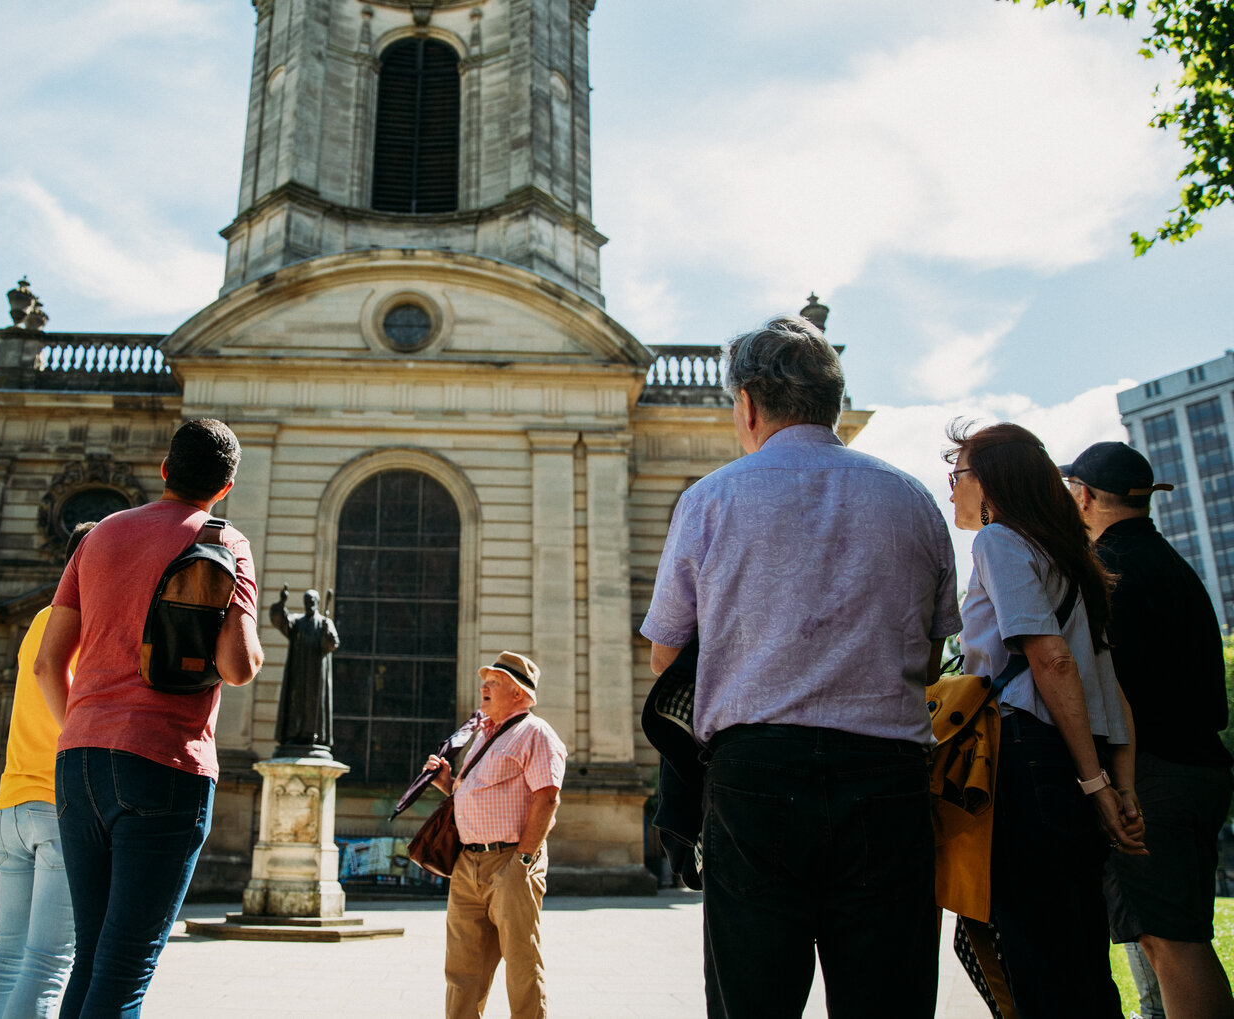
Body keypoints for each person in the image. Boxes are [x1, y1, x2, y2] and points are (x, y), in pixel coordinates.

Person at [641, 315, 959, 1017]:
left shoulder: (710, 499)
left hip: (755, 777)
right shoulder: (914, 500)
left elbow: (667, 654)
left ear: (748, 404)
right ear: (833, 401)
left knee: (753, 999)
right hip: (889, 778)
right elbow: (933, 656)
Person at [34, 418, 263, 1019]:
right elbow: (237, 667)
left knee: (91, 959)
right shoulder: (224, 542)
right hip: (168, 761)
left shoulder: (100, 535)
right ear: (227, 485)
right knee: (125, 969)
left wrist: (83, 730)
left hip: (79, 761)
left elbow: (46, 665)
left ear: (164, 470)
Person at [946, 422, 1145, 1019]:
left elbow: (1050, 659)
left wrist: (1094, 781)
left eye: (957, 475)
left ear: (988, 483)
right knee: (1078, 948)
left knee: (1031, 947)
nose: (951, 489)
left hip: (1026, 754)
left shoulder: (999, 542)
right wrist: (1117, 785)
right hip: (1074, 759)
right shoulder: (1072, 555)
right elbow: (1110, 685)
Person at [1065, 440, 1234, 1019]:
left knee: (1171, 940)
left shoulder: (1107, 571)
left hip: (1153, 775)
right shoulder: (1172, 564)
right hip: (1199, 767)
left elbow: (1111, 690)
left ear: (1084, 496)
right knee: (1173, 934)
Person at [0, 522, 96, 1019]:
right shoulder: (91, 620)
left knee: (7, 958)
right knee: (48, 962)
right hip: (58, 805)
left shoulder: (41, 618)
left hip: (10, 807)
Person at [422, 652, 565, 1019]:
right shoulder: (486, 734)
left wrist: (523, 861)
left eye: (494, 681)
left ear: (518, 693)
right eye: (485, 680)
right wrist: (446, 785)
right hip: (467, 864)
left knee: (521, 965)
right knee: (461, 971)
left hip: (511, 860)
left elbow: (547, 797)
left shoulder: (536, 732)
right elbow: (476, 793)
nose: (484, 686)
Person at [269, 585, 339, 756]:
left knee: (314, 705)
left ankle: (312, 736)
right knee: (295, 703)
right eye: (307, 601)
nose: (310, 604)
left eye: (313, 601)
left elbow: (332, 644)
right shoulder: (297, 622)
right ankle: (294, 735)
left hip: (316, 676)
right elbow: (281, 621)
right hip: (298, 674)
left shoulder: (324, 622)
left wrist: (327, 631)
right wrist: (282, 603)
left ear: (317, 602)